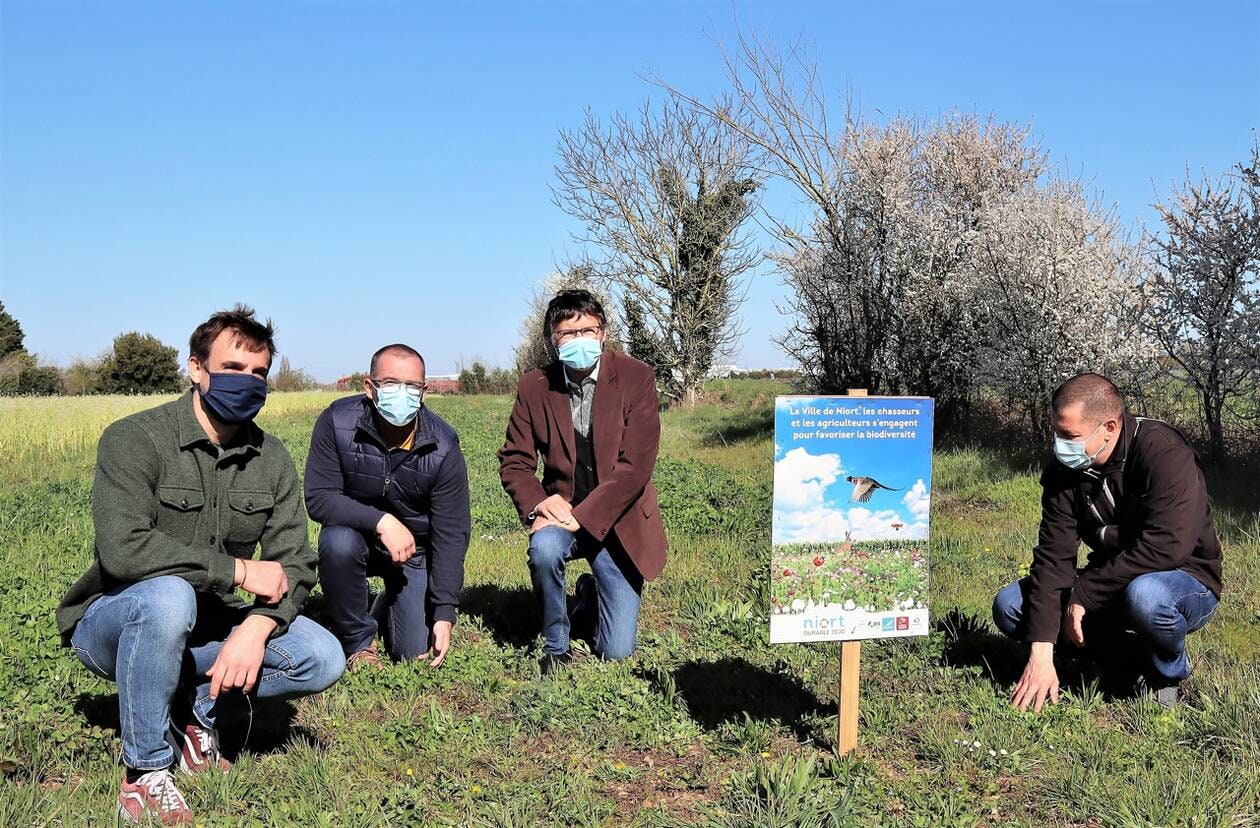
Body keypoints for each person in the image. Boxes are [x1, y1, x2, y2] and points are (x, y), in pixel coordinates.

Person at [56, 306, 345, 824]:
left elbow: (295, 561)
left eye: (259, 374)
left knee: (321, 656)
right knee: (169, 597)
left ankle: (197, 714)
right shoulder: (135, 439)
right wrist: (236, 571)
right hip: (118, 621)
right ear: (196, 368)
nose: (248, 383)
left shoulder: (271, 456)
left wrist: (257, 626)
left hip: (209, 620)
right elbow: (124, 550)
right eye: (233, 368)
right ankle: (145, 771)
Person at [993, 373, 1223, 711]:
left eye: (1070, 436)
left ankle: (1166, 683)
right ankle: (1124, 666)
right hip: (1110, 576)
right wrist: (1040, 652)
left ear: (1109, 428)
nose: (1060, 446)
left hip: (1182, 578)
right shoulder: (1063, 471)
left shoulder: (1163, 452)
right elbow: (1054, 556)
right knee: (1010, 606)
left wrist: (1084, 593)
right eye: (1056, 434)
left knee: (1146, 597)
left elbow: (1167, 546)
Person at [499, 289, 668, 674]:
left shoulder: (635, 377)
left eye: (588, 330)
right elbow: (515, 461)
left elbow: (635, 468)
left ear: (604, 332)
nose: (580, 340)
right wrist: (541, 503)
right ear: (551, 339)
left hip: (619, 521)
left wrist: (582, 516)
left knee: (616, 652)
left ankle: (588, 597)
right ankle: (555, 644)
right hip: (561, 513)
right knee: (544, 548)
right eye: (568, 334)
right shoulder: (534, 386)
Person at [304, 344, 470, 669]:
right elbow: (319, 497)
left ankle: (386, 603)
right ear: (370, 387)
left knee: (412, 653)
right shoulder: (337, 422)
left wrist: (444, 612)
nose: (402, 393)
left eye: (412, 386)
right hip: (357, 537)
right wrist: (382, 522)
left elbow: (452, 534)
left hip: (414, 551)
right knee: (336, 542)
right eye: (391, 383)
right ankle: (358, 642)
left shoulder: (444, 445)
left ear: (424, 391)